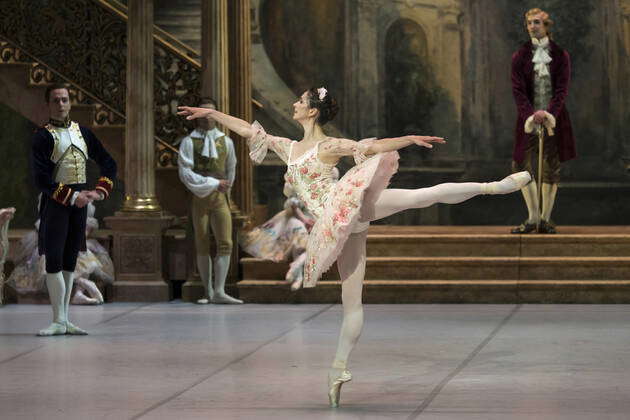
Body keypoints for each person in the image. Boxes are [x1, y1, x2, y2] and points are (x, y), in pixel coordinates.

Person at [178, 87, 530, 407]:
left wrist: (405, 139)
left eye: (301, 101)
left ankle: (494, 187)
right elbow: (246, 129)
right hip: (339, 227)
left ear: (312, 112)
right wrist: (211, 114)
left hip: (345, 206)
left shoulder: (327, 146)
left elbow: (369, 148)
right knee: (351, 303)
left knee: (421, 196)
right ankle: (338, 370)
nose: (294, 104)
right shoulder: (288, 147)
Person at [32, 84, 116, 336]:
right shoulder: (42, 137)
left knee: (71, 260)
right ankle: (57, 319)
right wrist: (73, 196)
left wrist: (98, 191)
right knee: (54, 260)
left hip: (79, 207)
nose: (60, 104)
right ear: (48, 104)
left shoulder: (84, 133)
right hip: (56, 205)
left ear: (70, 103)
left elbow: (109, 163)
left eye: (65, 100)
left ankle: (65, 319)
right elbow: (41, 179)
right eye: (56, 100)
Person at [510, 8, 576, 234]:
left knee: (551, 166)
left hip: (555, 118)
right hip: (526, 118)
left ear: (547, 26)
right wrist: (530, 114)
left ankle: (546, 219)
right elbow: (518, 90)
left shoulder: (561, 55)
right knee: (521, 165)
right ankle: (532, 217)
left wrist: (549, 115)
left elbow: (561, 90)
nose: (532, 26)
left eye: (536, 22)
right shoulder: (519, 56)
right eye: (529, 23)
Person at [177, 98, 242, 304]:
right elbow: (185, 173)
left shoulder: (226, 141)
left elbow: (231, 168)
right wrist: (213, 183)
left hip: (220, 198)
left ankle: (220, 290)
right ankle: (208, 291)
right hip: (200, 197)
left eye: (210, 114)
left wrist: (225, 187)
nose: (207, 118)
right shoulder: (189, 142)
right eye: (203, 114)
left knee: (225, 242)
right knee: (202, 242)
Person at [239, 168, 339, 291]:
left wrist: (319, 223)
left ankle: (296, 266)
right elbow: (293, 204)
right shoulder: (306, 180)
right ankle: (299, 276)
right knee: (296, 230)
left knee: (315, 243)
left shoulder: (332, 187)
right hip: (301, 217)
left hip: (322, 222)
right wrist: (305, 220)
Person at [7, 201, 114, 305]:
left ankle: (79, 292)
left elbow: (81, 235)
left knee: (83, 255)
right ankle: (82, 281)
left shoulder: (81, 207)